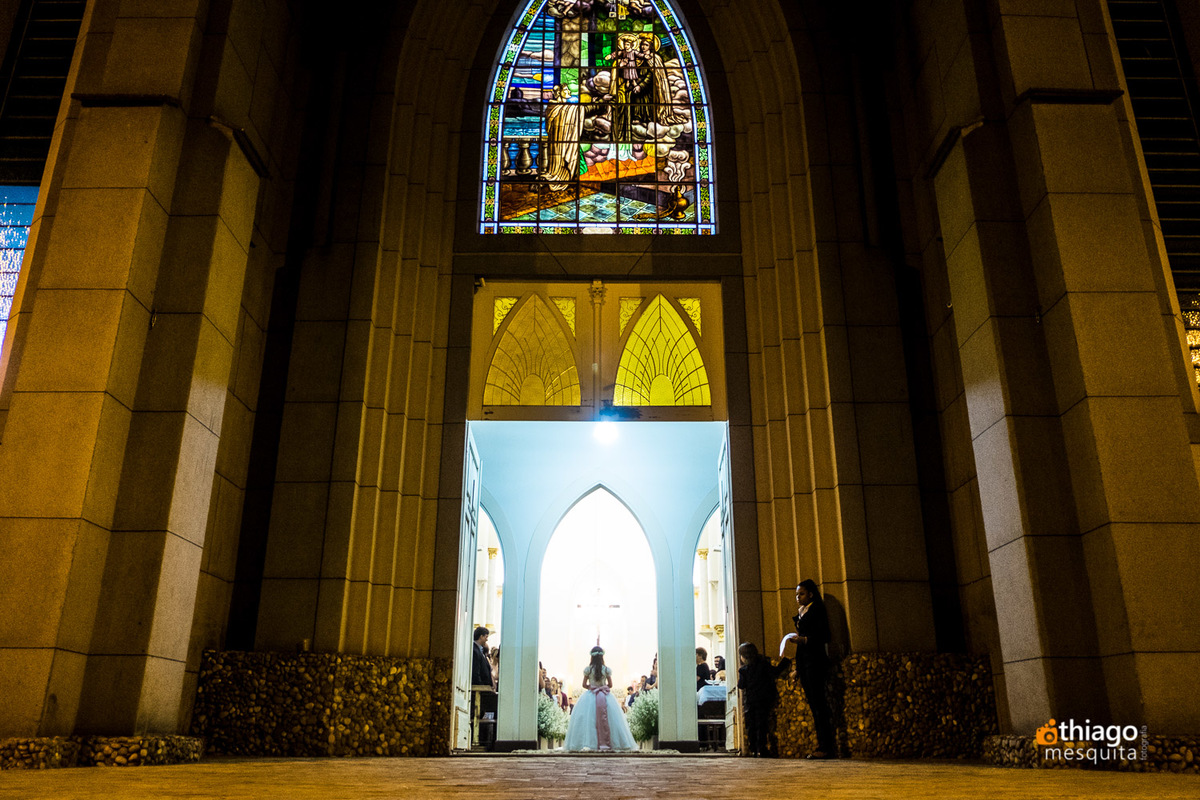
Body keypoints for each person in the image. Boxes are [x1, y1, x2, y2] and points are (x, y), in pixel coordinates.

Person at [782, 579, 836, 759]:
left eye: (802, 594)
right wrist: (798, 668)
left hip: (815, 663)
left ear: (811, 594)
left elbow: (824, 636)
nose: (798, 597)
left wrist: (805, 640)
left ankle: (826, 747)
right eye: (796, 595)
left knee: (819, 706)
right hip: (805, 664)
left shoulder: (817, 610)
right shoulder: (803, 612)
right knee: (815, 706)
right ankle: (823, 745)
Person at [563, 645, 637, 751]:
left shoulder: (588, 670)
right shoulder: (606, 670)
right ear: (602, 657)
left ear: (592, 657)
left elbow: (584, 684)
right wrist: (602, 687)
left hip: (590, 695)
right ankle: (615, 743)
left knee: (589, 720)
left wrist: (592, 687)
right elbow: (610, 685)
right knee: (610, 720)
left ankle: (588, 743)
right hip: (604, 696)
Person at [737, 641, 790, 757]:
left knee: (751, 725)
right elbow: (775, 672)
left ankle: (753, 749)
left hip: (751, 701)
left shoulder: (744, 670)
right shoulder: (763, 664)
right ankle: (762, 748)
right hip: (764, 699)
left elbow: (741, 685)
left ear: (744, 656)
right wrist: (785, 661)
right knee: (762, 724)